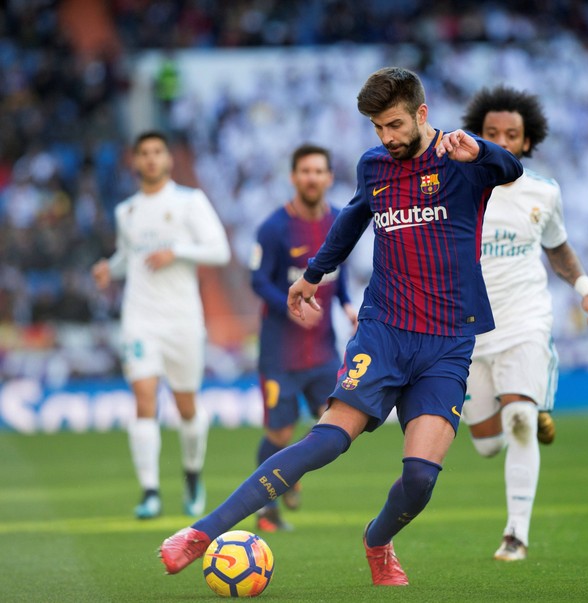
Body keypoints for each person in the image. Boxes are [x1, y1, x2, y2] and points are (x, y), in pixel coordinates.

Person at [160, 67, 523, 585]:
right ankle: (200, 533)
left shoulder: (462, 161)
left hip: (448, 342)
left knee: (419, 477)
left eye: (395, 125)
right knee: (326, 442)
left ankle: (377, 542)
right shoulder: (375, 166)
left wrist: (483, 152)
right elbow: (353, 218)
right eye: (378, 128)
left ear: (422, 114)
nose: (387, 138)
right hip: (386, 329)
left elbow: (512, 169)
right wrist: (311, 275)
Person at [459, 86, 588, 561]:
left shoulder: (543, 191)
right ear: (478, 136)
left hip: (525, 320)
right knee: (486, 445)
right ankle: (526, 406)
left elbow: (557, 247)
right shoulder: (457, 185)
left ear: (527, 142)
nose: (502, 140)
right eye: (492, 133)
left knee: (520, 418)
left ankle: (515, 536)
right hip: (467, 331)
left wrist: (586, 289)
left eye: (512, 134)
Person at [92, 131, 231, 519]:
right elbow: (129, 256)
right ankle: (150, 491)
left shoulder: (189, 201)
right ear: (134, 162)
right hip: (139, 318)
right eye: (144, 154)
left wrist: (178, 252)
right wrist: (110, 267)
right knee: (144, 399)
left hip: (183, 319)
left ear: (168, 159)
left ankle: (191, 474)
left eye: (157, 152)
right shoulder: (127, 212)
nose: (151, 159)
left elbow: (219, 250)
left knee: (187, 407)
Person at [248, 143, 357, 532]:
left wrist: (346, 304)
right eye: (305, 171)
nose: (312, 177)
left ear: (329, 177)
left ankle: (292, 474)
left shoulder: (342, 220)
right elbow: (258, 281)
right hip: (280, 352)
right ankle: (268, 511)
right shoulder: (274, 228)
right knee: (278, 432)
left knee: (333, 425)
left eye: (319, 171)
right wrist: (290, 305)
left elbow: (337, 273)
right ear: (294, 177)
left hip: (324, 351)